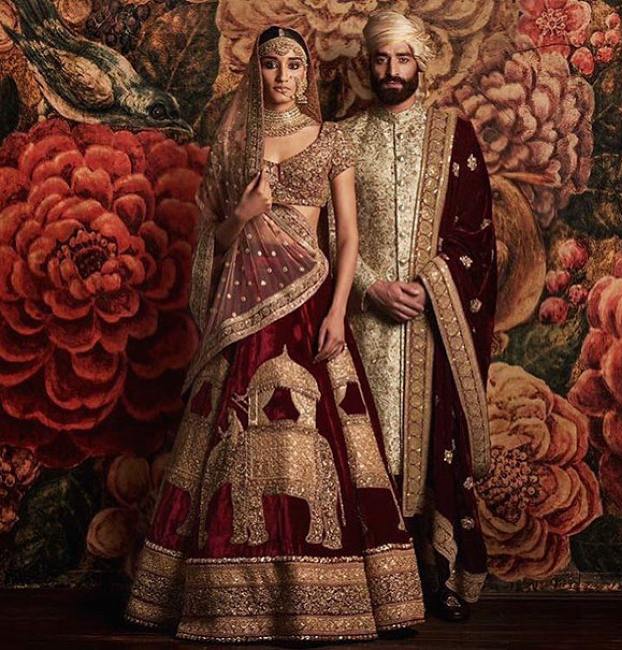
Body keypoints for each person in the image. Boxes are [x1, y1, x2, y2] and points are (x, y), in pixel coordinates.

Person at [124, 26, 425, 644]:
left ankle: (332, 595)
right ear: (255, 71)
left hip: (310, 306)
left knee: (326, 446)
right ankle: (226, 600)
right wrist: (244, 214)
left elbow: (348, 240)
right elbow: (214, 242)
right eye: (270, 64)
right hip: (246, 313)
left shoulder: (331, 140)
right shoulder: (235, 142)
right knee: (231, 444)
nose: (283, 76)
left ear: (307, 73)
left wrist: (338, 312)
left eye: (293, 65)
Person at [335, 11, 497, 622]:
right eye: (382, 59)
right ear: (368, 64)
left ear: (420, 64)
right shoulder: (344, 138)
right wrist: (372, 287)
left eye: (402, 59)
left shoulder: (454, 135)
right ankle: (371, 586)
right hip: (362, 322)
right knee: (365, 447)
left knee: (429, 447)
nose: (392, 71)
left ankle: (436, 574)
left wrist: (433, 287)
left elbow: (477, 235)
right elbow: (326, 234)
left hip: (432, 325)